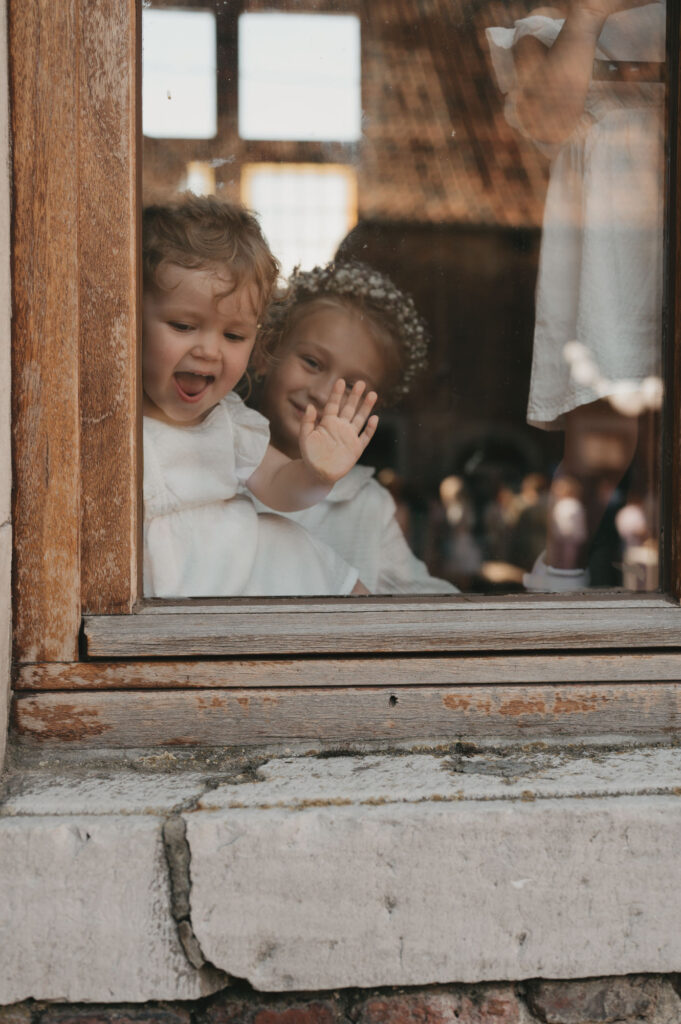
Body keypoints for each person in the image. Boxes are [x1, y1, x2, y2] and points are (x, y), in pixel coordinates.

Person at [487, 1, 665, 590]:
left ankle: (655, 567)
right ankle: (562, 571)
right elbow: (548, 117)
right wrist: (588, 17)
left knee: (666, 440)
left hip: (662, 233)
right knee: (603, 425)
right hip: (613, 259)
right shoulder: (544, 33)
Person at [142, 196, 379, 598]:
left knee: (317, 567)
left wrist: (315, 473)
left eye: (233, 336)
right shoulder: (109, 419)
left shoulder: (229, 422)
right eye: (183, 325)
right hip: (156, 594)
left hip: (243, 575)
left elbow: (277, 485)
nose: (209, 350)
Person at [252, 260, 457, 594]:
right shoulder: (215, 453)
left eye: (350, 387)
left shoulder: (366, 507)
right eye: (312, 362)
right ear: (267, 352)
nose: (321, 393)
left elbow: (423, 600)